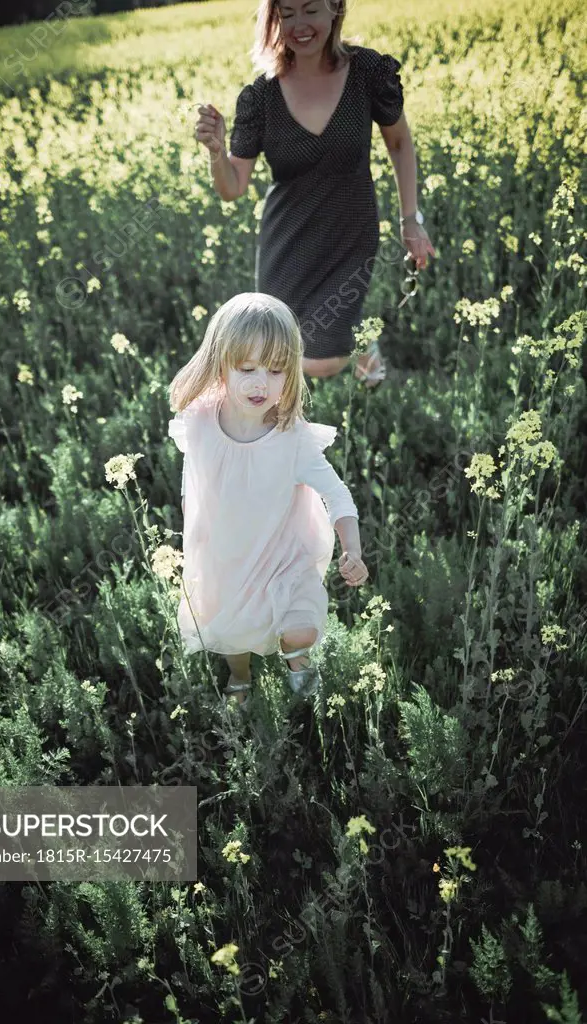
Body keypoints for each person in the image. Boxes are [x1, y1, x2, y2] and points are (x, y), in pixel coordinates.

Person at [194, 0, 436, 387]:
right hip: (287, 237)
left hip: (350, 231)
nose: (299, 25)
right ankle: (295, 423)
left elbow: (399, 145)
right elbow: (232, 188)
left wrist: (411, 221)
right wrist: (217, 151)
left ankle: (359, 347)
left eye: (310, 10)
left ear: (335, 10)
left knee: (323, 361)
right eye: (287, 14)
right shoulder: (260, 97)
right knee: (283, 347)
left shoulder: (368, 72)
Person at [167, 292, 368, 710]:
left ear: (291, 374)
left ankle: (297, 657)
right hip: (227, 558)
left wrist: (352, 548)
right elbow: (193, 478)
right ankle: (240, 679)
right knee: (231, 637)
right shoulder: (201, 421)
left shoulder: (291, 440)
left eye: (276, 371)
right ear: (221, 364)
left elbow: (337, 493)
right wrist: (194, 530)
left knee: (300, 627)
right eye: (247, 368)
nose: (261, 383)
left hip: (283, 556)